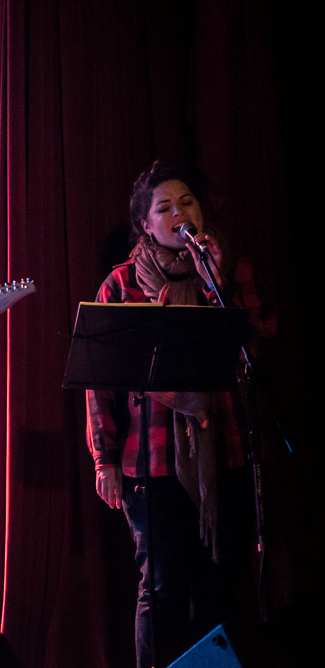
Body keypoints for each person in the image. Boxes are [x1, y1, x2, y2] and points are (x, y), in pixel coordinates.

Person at [85, 162, 272, 668]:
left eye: (187, 202)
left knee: (220, 580)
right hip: (152, 462)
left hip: (226, 451)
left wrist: (217, 283)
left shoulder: (229, 271)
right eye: (164, 207)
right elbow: (100, 381)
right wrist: (103, 458)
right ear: (146, 224)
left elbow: (255, 341)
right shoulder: (123, 284)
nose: (179, 213)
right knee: (164, 587)